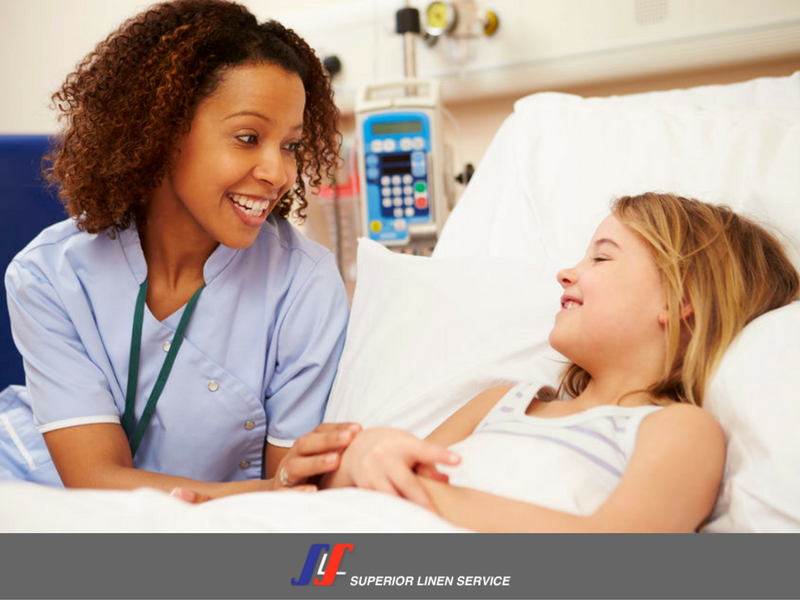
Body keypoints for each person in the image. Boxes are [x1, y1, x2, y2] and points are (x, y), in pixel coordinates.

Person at [0, 0, 360, 498]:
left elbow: (295, 494)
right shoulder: (49, 276)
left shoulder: (305, 285)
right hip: (35, 488)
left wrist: (263, 494)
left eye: (290, 145)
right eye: (248, 137)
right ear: (163, 131)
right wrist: (264, 492)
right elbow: (94, 482)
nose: (278, 173)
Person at [324, 193, 800, 532]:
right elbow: (376, 483)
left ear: (680, 299)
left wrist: (421, 494)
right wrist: (362, 457)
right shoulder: (500, 402)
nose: (567, 272)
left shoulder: (677, 429)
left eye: (602, 259)